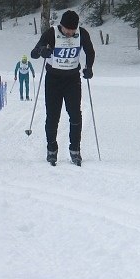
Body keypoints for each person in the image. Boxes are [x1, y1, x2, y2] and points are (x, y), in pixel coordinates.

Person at [30, 10, 95, 166]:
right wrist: (42, 51)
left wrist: (89, 67)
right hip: (54, 79)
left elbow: (90, 52)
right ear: (61, 25)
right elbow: (33, 53)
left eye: (73, 30)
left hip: (72, 79)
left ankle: (75, 149)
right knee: (53, 116)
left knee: (75, 115)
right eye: (67, 30)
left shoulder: (82, 34)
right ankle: (52, 149)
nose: (70, 33)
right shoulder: (51, 33)